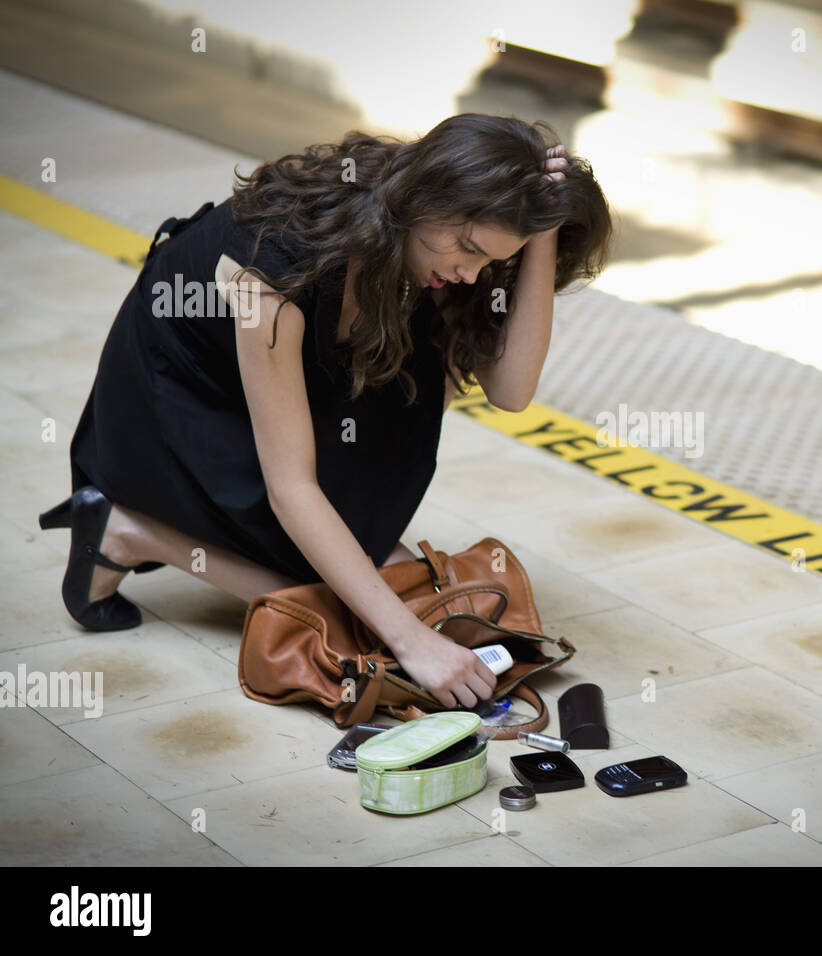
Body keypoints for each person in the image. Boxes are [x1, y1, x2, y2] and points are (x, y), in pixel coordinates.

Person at [38, 114, 614, 709]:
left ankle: (174, 539)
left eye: (492, 260)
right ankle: (131, 532)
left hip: (311, 375)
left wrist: (542, 224)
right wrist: (410, 638)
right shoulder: (275, 268)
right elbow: (292, 489)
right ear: (423, 195)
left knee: (374, 574)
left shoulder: (432, 247)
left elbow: (512, 389)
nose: (471, 272)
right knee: (361, 615)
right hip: (190, 392)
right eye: (468, 248)